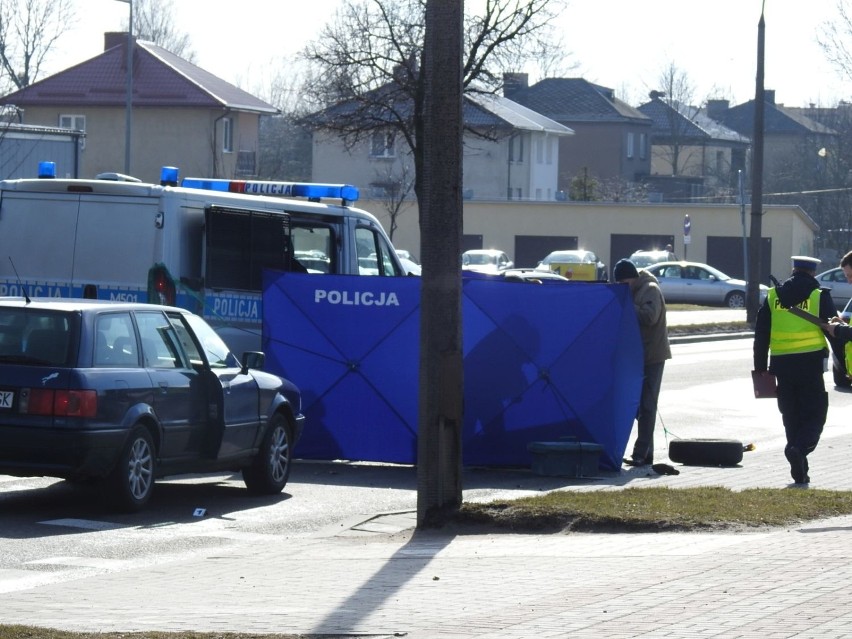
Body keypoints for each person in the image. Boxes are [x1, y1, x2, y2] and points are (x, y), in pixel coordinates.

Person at [753, 255, 836, 484]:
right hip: (810, 366)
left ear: (793, 270)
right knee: (815, 415)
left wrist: (760, 369)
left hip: (781, 367)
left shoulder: (773, 296)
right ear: (812, 272)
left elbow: (761, 335)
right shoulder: (819, 295)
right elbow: (835, 334)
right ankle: (799, 449)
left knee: (791, 415)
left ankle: (800, 468)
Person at [614, 258, 672, 466]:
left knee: (646, 406)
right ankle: (646, 452)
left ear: (632, 279)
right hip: (638, 357)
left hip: (652, 356)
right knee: (638, 406)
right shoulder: (634, 290)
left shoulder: (650, 289)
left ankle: (641, 453)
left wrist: (627, 306)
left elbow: (650, 317)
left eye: (624, 284)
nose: (622, 288)